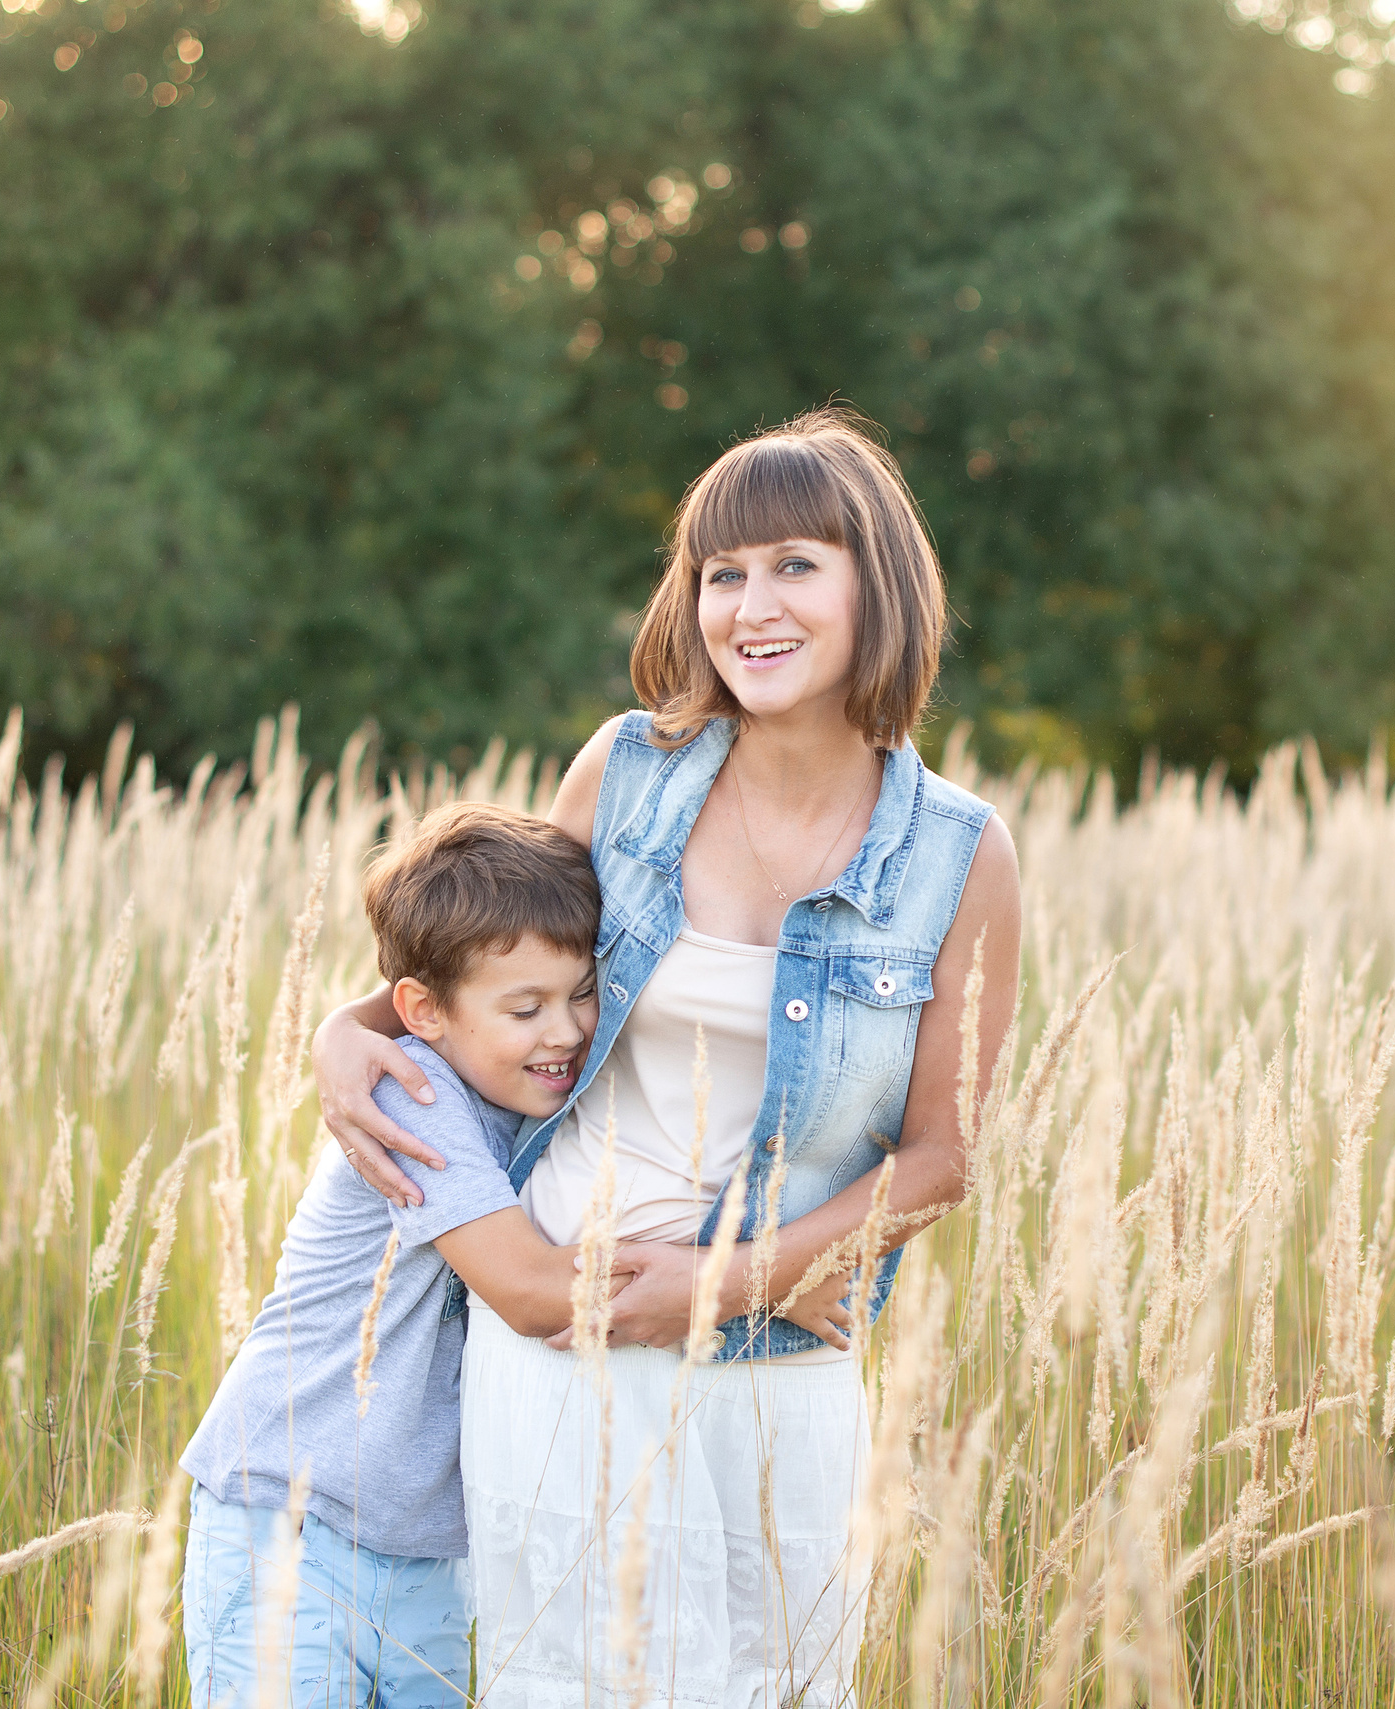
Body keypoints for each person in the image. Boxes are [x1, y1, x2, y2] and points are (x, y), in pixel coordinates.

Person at [312, 408, 1024, 1706]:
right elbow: (476, 975)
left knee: (778, 1686)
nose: (751, 605)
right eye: (721, 572)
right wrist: (340, 1033)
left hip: (780, 1372)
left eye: (796, 564)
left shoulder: (959, 855)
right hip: (567, 1345)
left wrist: (728, 1280)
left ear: (882, 583)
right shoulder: (631, 769)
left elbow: (940, 1157)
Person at [177, 804, 625, 1707]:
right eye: (525, 1007)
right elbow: (537, 1294)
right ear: (423, 1012)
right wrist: (757, 1284)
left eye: (581, 992)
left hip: (428, 1559)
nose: (567, 1031)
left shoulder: (549, 1103)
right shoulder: (416, 1096)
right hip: (288, 1527)